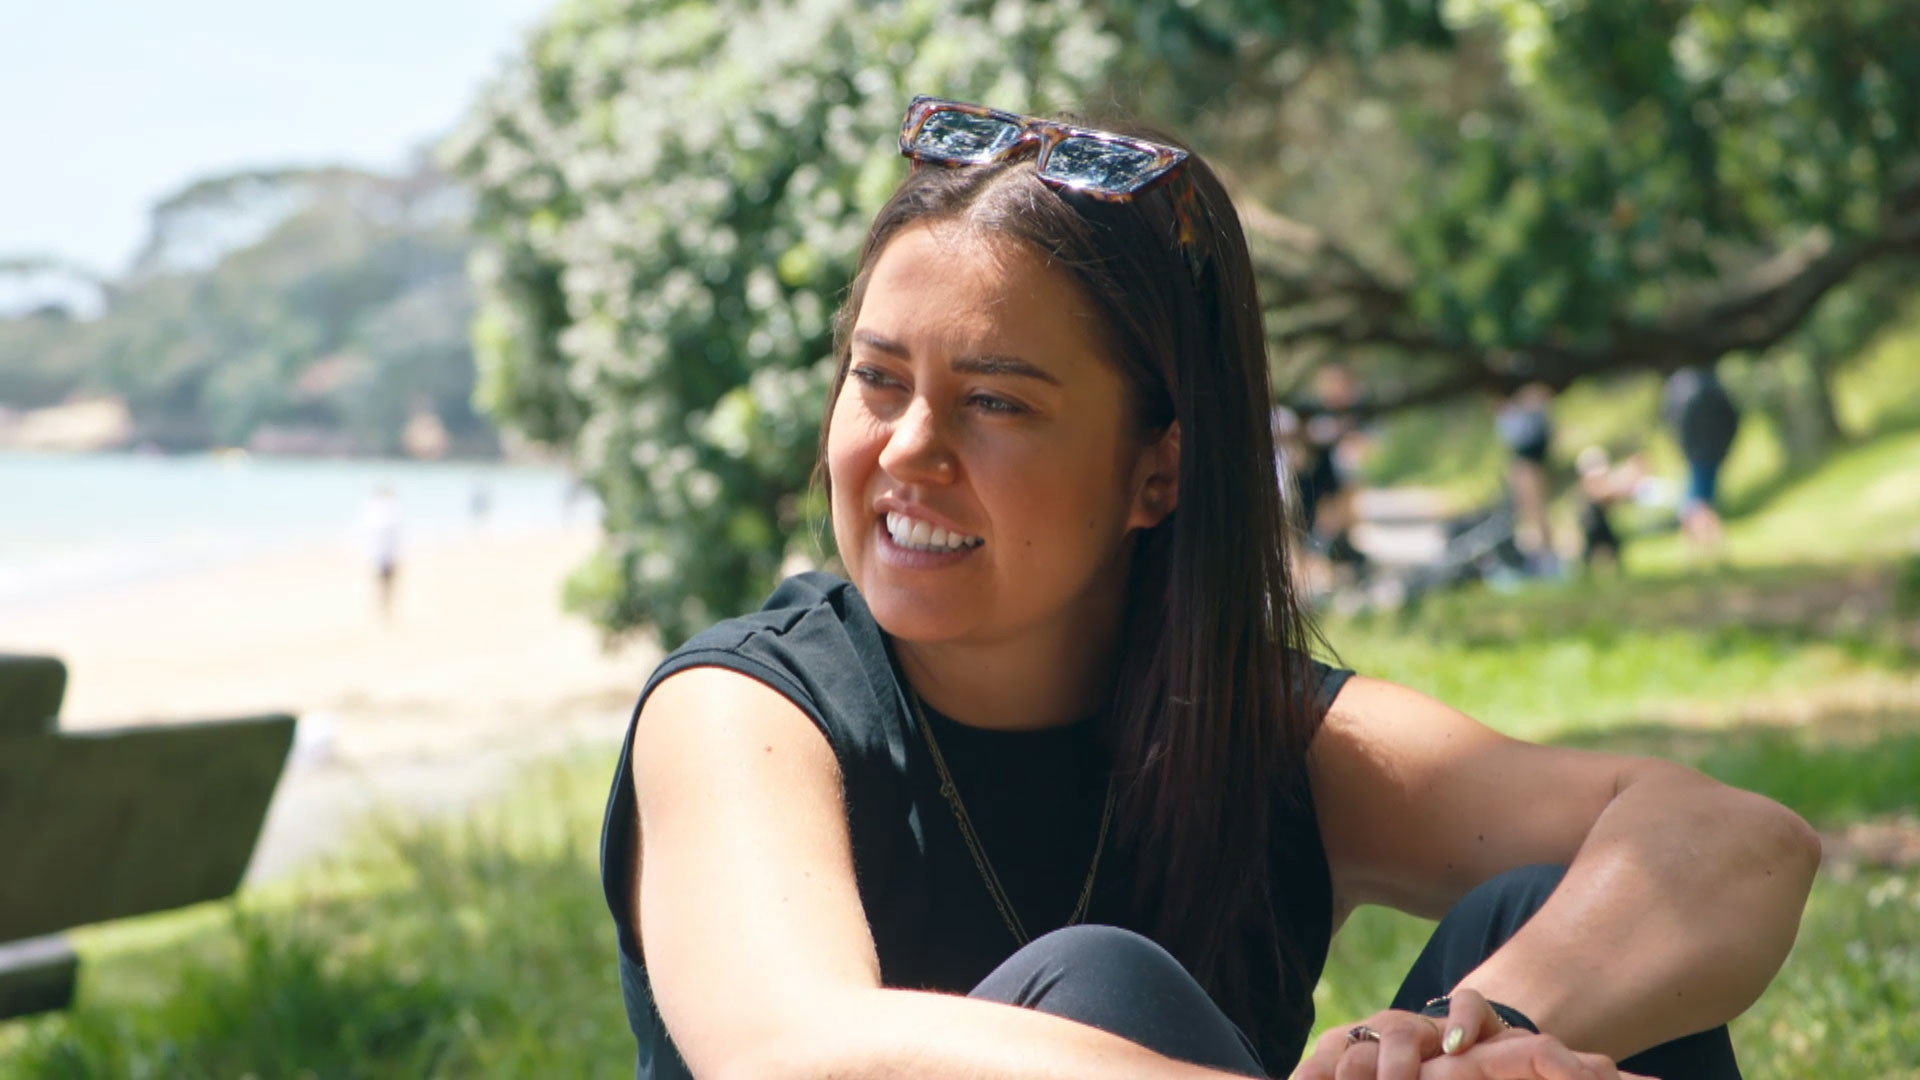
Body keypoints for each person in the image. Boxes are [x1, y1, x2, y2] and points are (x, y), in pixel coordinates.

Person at [601, 96, 1818, 1080]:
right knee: (1101, 983)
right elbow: (792, 1049)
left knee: (1554, 935)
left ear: (1159, 472)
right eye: (877, 380)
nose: (908, 448)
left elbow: (1735, 843)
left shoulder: (1254, 731)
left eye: (995, 401)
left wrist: (1477, 1037)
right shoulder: (746, 710)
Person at [1662, 365, 1741, 558]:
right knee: (1699, 502)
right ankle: (1708, 547)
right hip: (1707, 455)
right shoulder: (1709, 393)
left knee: (1697, 503)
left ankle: (1705, 548)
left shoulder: (1689, 394)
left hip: (1699, 456)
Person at [1493, 383, 1558, 575]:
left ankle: (1546, 556)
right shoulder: (1511, 413)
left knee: (1537, 511)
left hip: (1530, 463)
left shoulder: (1526, 407)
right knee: (1527, 512)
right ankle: (1537, 555)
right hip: (1522, 463)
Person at [358, 485, 402, 621]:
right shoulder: (389, 511)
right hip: (383, 553)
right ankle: (384, 606)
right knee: (385, 582)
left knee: (384, 582)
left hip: (383, 553)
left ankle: (384, 606)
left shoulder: (379, 511)